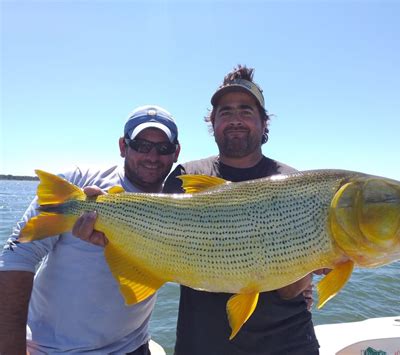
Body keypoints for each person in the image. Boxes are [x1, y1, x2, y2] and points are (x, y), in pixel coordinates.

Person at [163, 65, 321, 354]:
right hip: (202, 344)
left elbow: (291, 290)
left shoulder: (295, 184)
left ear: (263, 123)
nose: (236, 120)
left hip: (288, 343)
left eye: (246, 111)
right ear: (213, 123)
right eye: (226, 112)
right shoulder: (185, 177)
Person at [0, 105, 181, 354]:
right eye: (141, 145)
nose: (152, 156)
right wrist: (11, 347)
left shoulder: (178, 202)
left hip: (133, 347)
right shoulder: (77, 183)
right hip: (51, 349)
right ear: (122, 146)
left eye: (163, 148)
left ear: (176, 152)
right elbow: (16, 256)